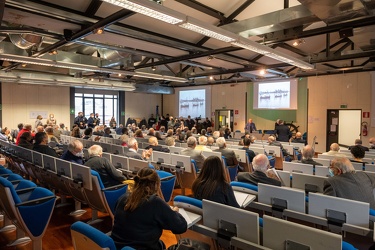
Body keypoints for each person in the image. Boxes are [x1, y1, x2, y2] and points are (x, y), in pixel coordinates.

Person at [111, 168, 187, 249]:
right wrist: (175, 212)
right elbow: (181, 227)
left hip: (119, 247)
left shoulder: (122, 198)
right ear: (156, 184)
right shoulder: (155, 203)